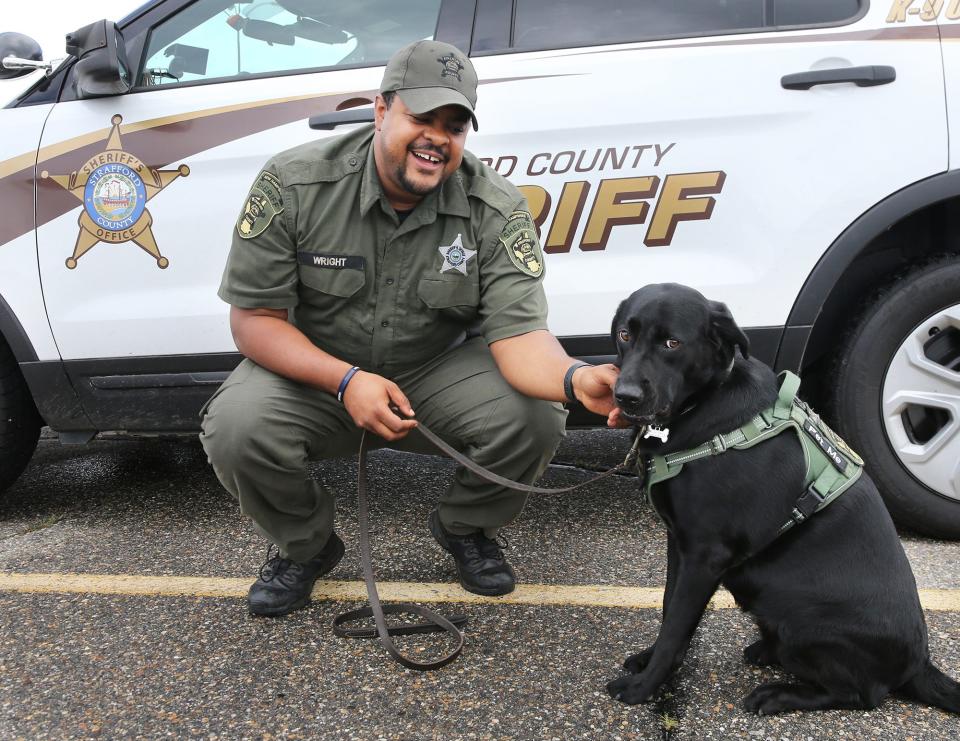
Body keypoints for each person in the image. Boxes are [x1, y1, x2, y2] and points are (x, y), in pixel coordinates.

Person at [199, 40, 619, 617]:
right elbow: (254, 322)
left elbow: (520, 339)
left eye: (454, 125)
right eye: (421, 117)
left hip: (434, 371)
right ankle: (307, 545)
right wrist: (346, 381)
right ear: (381, 111)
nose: (436, 138)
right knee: (236, 428)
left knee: (536, 414)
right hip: (320, 373)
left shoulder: (494, 208)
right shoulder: (294, 183)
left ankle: (465, 526)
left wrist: (577, 381)